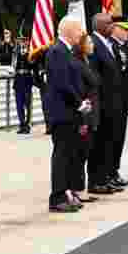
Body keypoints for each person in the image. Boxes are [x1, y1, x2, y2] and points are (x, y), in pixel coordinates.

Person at [45, 16, 89, 212]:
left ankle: (66, 193)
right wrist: (79, 103)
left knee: (69, 155)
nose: (81, 34)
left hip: (70, 111)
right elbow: (62, 83)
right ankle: (57, 197)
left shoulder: (66, 51)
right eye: (79, 30)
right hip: (62, 112)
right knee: (61, 155)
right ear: (69, 31)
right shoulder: (57, 51)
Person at [86, 13, 127, 195]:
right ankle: (97, 181)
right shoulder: (94, 43)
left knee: (109, 142)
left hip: (113, 103)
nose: (113, 26)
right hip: (102, 104)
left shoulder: (107, 43)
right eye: (110, 23)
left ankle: (106, 177)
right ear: (100, 25)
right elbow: (94, 75)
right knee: (99, 144)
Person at [71, 33, 100, 203]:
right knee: (80, 153)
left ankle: (79, 187)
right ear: (81, 45)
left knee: (85, 151)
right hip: (85, 113)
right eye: (89, 42)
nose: (92, 45)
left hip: (91, 113)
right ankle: (77, 188)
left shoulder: (87, 62)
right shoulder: (79, 64)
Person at [108, 21, 128, 187]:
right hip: (113, 100)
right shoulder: (111, 46)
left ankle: (115, 170)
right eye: (123, 29)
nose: (126, 32)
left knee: (119, 137)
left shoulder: (125, 48)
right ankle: (109, 172)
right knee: (112, 138)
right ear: (115, 29)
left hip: (123, 100)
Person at [11, 34, 34, 133]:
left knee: (27, 104)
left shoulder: (30, 52)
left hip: (27, 79)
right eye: (20, 40)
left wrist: (28, 55)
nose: (22, 42)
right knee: (19, 104)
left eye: (24, 40)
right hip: (18, 80)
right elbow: (13, 65)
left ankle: (27, 125)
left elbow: (33, 65)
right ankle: (21, 124)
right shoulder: (15, 52)